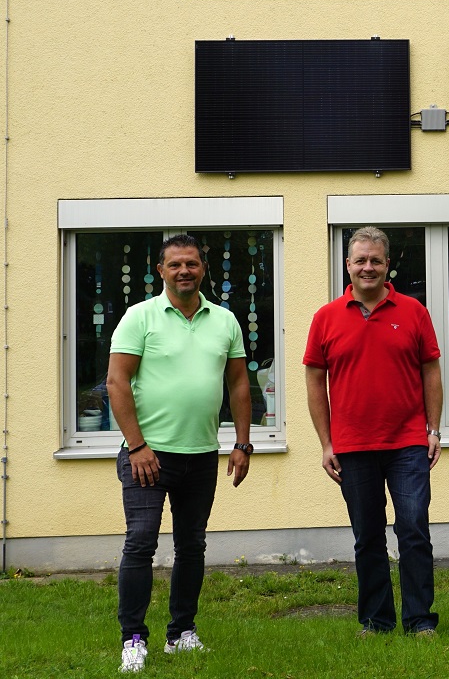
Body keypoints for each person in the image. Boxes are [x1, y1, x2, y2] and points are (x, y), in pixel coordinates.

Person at [107, 234, 253, 673]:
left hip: (202, 454)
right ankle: (133, 639)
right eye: (175, 265)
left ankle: (182, 633)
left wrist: (242, 444)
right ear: (161, 270)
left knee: (192, 546)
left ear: (203, 269)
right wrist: (137, 446)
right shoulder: (140, 318)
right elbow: (116, 383)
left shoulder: (225, 320)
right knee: (141, 543)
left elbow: (239, 385)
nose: (184, 271)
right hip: (146, 456)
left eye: (191, 263)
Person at [304, 226, 443, 637]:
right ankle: (377, 621)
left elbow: (431, 370)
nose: (368, 267)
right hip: (352, 446)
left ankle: (420, 620)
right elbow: (314, 380)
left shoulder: (414, 311)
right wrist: (326, 443)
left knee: (414, 528)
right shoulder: (325, 318)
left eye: (375, 260)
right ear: (348, 265)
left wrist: (433, 429)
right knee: (367, 537)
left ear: (387, 265)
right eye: (360, 260)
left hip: (407, 444)